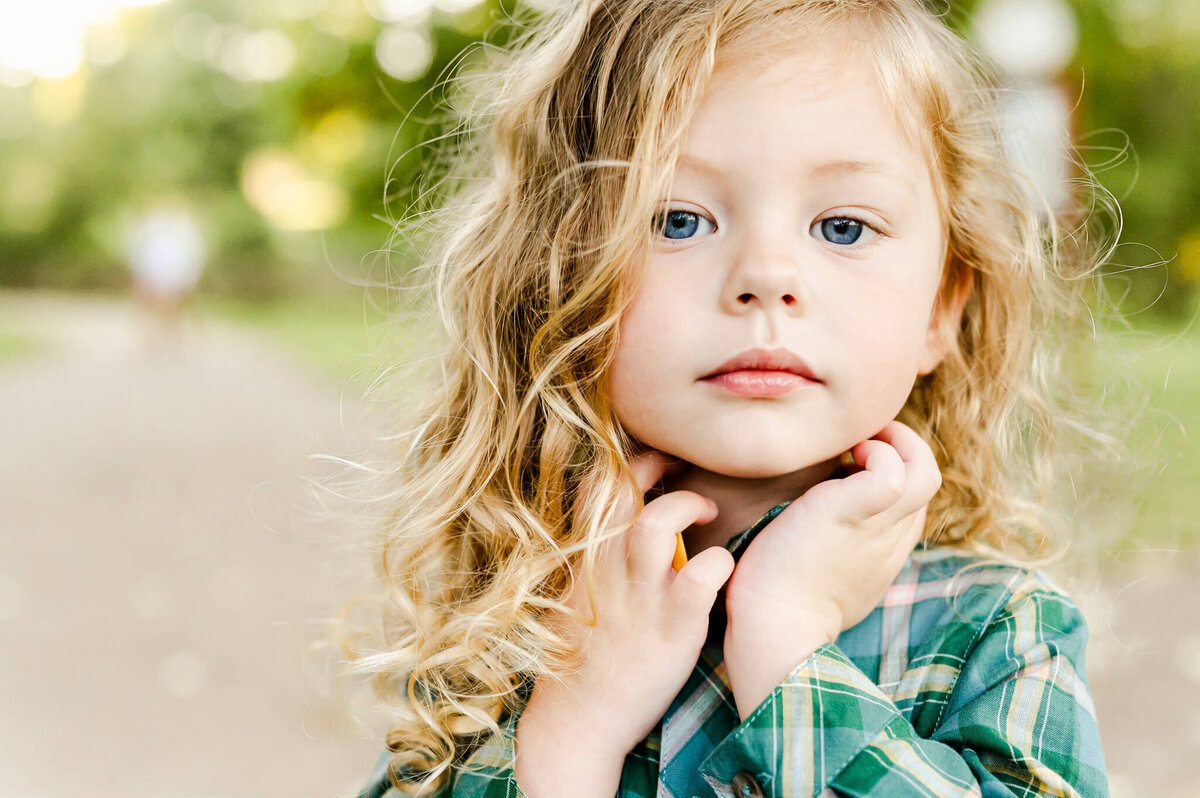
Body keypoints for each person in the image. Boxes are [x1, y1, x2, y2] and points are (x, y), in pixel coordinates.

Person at [344, 0, 1121, 795]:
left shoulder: (998, 634)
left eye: (844, 227)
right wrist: (573, 729)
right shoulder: (513, 625)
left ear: (940, 311)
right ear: (556, 278)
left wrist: (787, 642)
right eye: (679, 219)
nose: (767, 278)